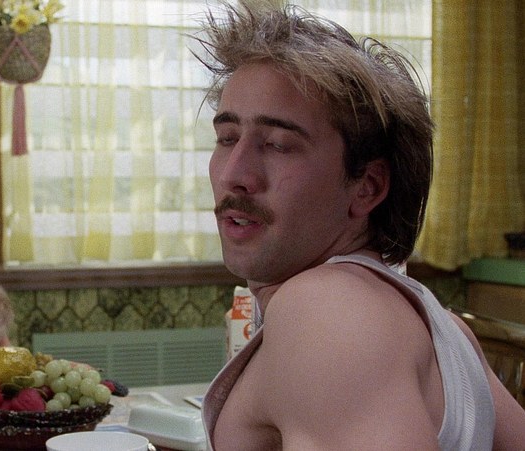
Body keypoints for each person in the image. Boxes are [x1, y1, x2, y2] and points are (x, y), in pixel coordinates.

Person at [197, 2, 525, 449]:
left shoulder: (329, 310)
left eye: (277, 144)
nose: (234, 174)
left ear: (367, 187)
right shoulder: (443, 326)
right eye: (227, 138)